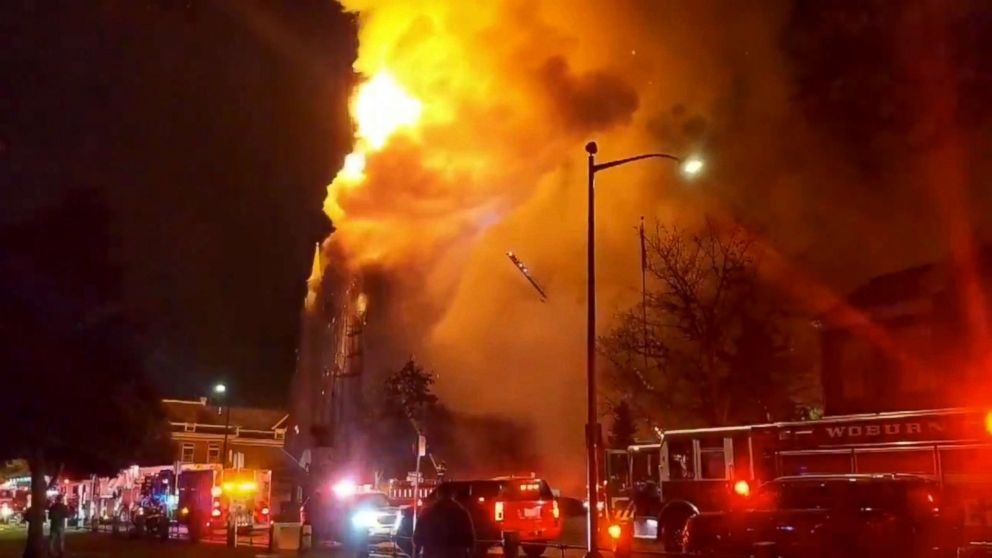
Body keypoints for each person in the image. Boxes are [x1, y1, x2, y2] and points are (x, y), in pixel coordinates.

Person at [413, 484, 475, 558]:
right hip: (456, 554)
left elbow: (417, 538)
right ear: (453, 495)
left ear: (438, 495)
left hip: (432, 553)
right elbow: (470, 539)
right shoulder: (462, 513)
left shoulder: (427, 513)